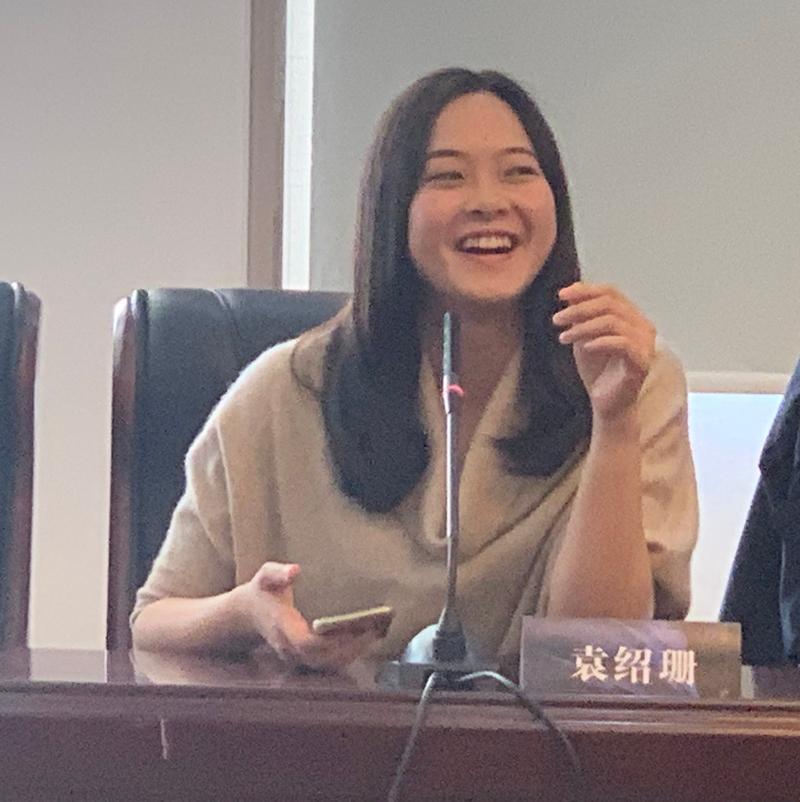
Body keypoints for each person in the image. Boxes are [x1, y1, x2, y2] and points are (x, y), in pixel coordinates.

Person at [131, 68, 698, 670]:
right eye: (448, 176)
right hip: (333, 730)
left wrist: (613, 422)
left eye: (518, 172)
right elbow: (155, 619)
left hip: (539, 732)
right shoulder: (286, 390)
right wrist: (247, 612)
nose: (489, 202)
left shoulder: (630, 375)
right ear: (393, 208)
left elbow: (600, 654)